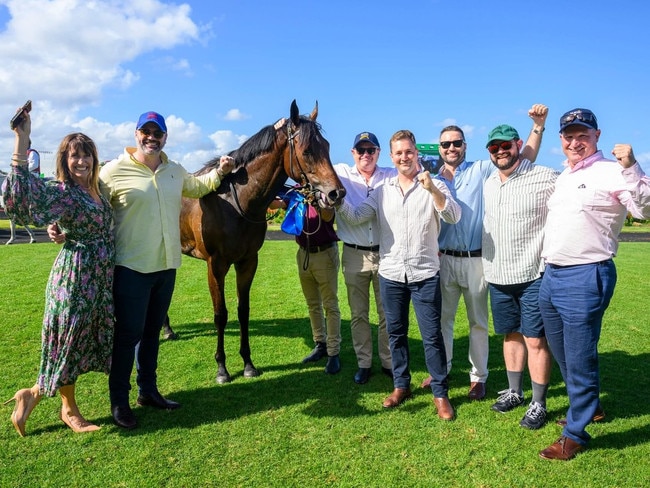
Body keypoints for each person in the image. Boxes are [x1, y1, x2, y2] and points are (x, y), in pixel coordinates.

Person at [50, 111, 234, 430]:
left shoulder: (174, 170)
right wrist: (63, 228)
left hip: (166, 268)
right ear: (136, 134)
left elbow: (200, 186)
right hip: (131, 268)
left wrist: (221, 171)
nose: (152, 136)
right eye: (146, 131)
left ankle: (148, 391)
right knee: (127, 337)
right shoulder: (112, 171)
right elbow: (90, 204)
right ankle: (119, 402)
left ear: (165, 136)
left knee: (152, 335)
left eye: (157, 132)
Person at [538, 108, 650, 460]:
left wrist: (633, 167)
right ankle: (590, 407)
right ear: (561, 140)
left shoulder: (613, 171)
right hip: (552, 274)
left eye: (582, 135)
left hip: (586, 274)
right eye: (569, 136)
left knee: (580, 356)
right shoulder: (564, 176)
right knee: (562, 353)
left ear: (597, 136)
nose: (575, 141)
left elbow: (643, 211)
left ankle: (575, 433)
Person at [422, 105, 548, 399]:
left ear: (464, 146)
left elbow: (523, 158)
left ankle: (478, 377)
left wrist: (537, 128)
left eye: (456, 143)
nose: (451, 148)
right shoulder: (430, 176)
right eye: (445, 144)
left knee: (478, 322)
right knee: (444, 321)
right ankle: (442, 370)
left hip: (477, 259)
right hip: (443, 259)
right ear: (439, 149)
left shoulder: (482, 169)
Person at [3, 108, 114, 435]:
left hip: (97, 282)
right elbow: (21, 198)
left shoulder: (96, 190)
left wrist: (64, 231)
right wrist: (21, 141)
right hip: (75, 281)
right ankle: (69, 411)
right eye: (75, 156)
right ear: (64, 161)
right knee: (68, 346)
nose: (82, 162)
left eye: (87, 156)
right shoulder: (65, 193)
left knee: (75, 346)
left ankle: (32, 395)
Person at [336, 130, 461, 420]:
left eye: (409, 152)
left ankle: (440, 394)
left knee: (431, 337)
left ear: (416, 153)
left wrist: (432, 188)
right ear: (392, 157)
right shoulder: (382, 191)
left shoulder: (434, 183)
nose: (404, 157)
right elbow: (355, 217)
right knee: (396, 334)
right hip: (391, 272)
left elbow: (453, 216)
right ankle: (401, 386)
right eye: (399, 153)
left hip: (425, 272)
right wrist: (334, 197)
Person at [482, 124, 558, 430]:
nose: (500, 151)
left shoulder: (544, 176)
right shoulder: (489, 182)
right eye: (494, 147)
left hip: (531, 273)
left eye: (505, 146)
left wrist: (538, 127)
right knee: (510, 335)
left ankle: (538, 403)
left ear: (518, 144)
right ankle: (514, 391)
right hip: (498, 274)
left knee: (535, 340)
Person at [333, 132, 394, 384]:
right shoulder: (340, 173)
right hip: (354, 254)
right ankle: (364, 362)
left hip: (387, 253)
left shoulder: (390, 176)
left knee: (387, 314)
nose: (366, 155)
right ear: (352, 152)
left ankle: (389, 362)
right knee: (358, 314)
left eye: (371, 150)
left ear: (378, 152)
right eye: (361, 150)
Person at [273, 191, 342, 374]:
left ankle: (333, 352)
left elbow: (328, 216)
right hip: (303, 253)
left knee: (330, 305)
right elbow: (275, 204)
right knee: (313, 304)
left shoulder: (325, 190)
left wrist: (316, 201)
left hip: (325, 253)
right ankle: (320, 343)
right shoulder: (294, 192)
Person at [4, 141, 39, 244]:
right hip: (19, 181)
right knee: (13, 211)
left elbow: (34, 165)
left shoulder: (32, 153)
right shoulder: (18, 156)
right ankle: (15, 236)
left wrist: (21, 169)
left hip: (30, 180)